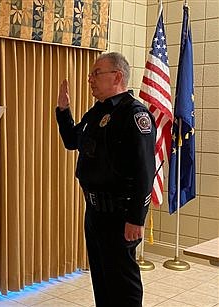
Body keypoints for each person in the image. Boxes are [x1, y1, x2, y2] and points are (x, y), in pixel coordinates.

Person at [55, 52, 156, 306]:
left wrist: (136, 218)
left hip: (121, 215)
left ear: (117, 77)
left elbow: (145, 171)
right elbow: (72, 141)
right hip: (95, 213)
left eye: (96, 73)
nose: (90, 79)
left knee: (123, 284)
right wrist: (63, 110)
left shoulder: (134, 115)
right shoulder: (97, 112)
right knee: (102, 280)